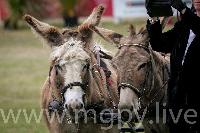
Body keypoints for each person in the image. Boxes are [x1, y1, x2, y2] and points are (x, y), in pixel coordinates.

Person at [146, 0, 200, 132]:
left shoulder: (189, 20)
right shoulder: (183, 26)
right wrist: (153, 18)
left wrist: (183, 10)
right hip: (178, 98)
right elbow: (159, 44)